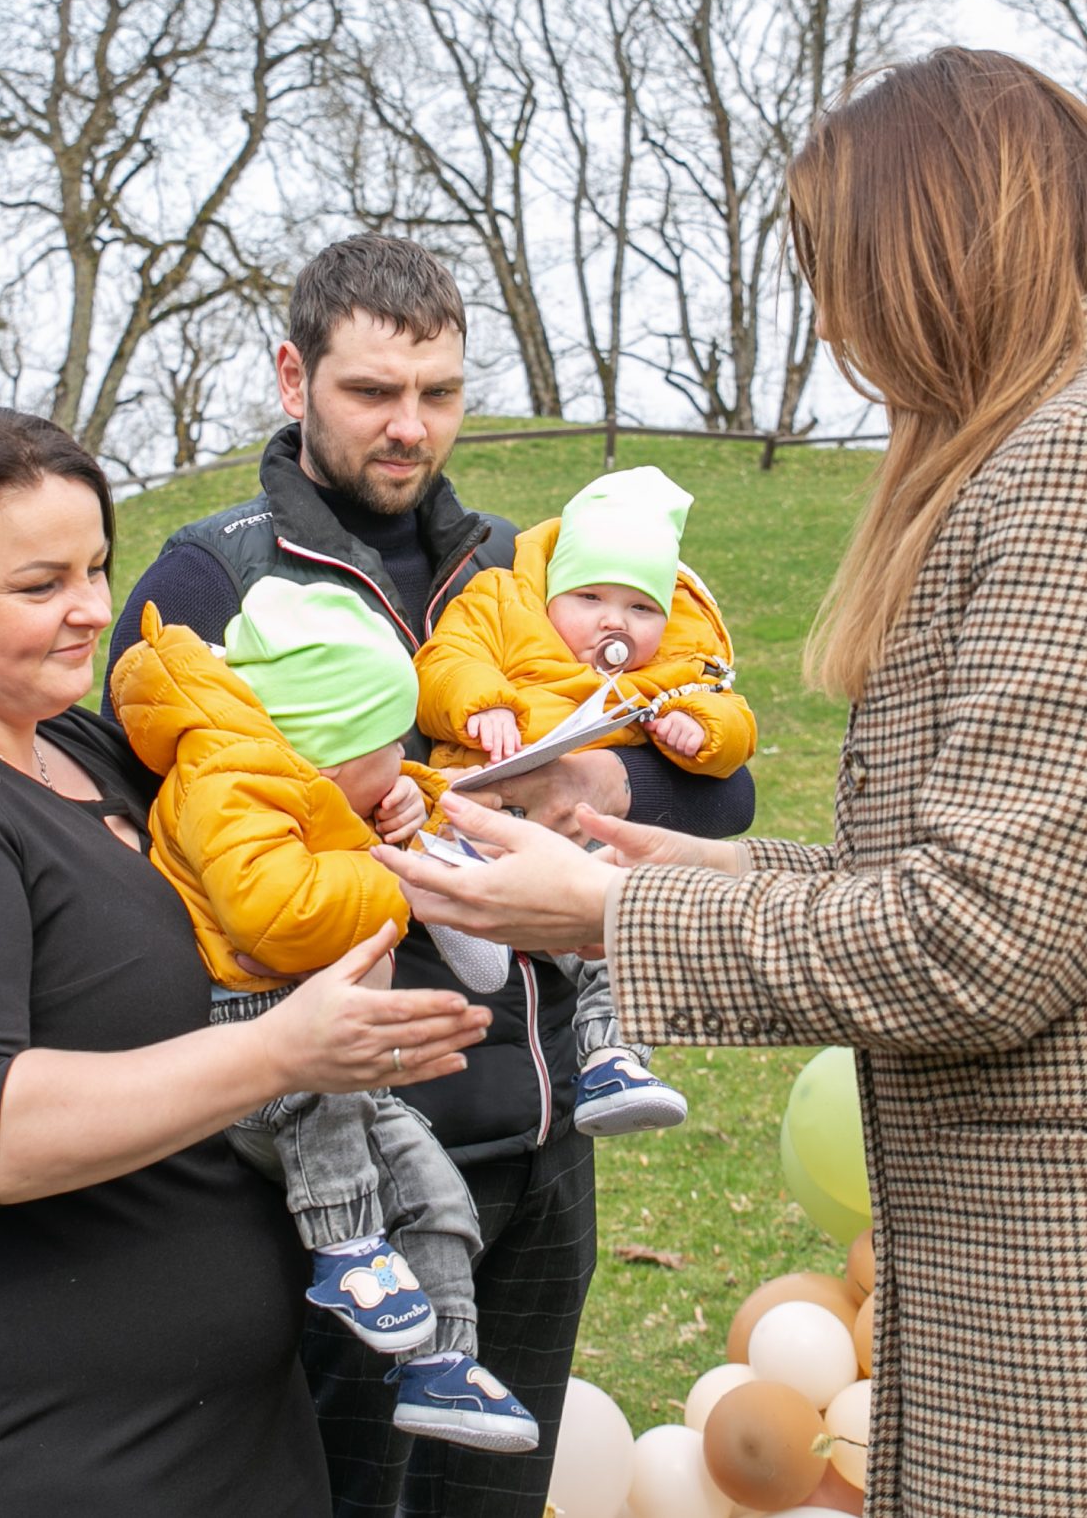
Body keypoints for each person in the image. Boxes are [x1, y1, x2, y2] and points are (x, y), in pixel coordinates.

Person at [374, 48, 1087, 1516]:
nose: (836, 329)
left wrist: (605, 918)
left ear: (937, 252)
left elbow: (977, 941)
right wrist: (687, 864)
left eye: (843, 278)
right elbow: (1043, 869)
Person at [0, 404, 490, 1514]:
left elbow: (249, 856)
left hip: (240, 1437)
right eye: (40, 585)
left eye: (95, 567)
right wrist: (281, 1053)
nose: (92, 608)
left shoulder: (85, 749)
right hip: (55, 1457)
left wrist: (375, 817)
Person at [108, 234, 757, 1518]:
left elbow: (721, 788)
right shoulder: (209, 578)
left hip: (543, 1141)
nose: (410, 426)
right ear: (292, 378)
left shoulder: (530, 568)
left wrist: (602, 785)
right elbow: (143, 845)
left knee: (497, 1503)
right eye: (371, 392)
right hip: (338, 1175)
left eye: (440, 393)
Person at [115, 579, 538, 1453]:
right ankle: (347, 1249)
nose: (402, 753)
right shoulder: (227, 778)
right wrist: (398, 876)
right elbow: (276, 911)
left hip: (321, 1030)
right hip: (249, 1034)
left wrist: (414, 809)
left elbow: (345, 826)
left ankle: (444, 1361)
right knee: (324, 1098)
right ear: (333, 750)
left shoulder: (311, 781)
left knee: (430, 1180)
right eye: (390, 743)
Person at [417, 463, 759, 1138]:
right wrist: (484, 704)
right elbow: (446, 661)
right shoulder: (503, 604)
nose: (614, 621)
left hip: (586, 839)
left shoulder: (674, 660)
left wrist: (702, 729)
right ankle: (459, 889)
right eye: (591, 596)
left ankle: (613, 1060)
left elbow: (731, 724)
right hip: (488, 797)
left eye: (640, 608)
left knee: (622, 926)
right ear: (553, 587)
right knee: (469, 825)